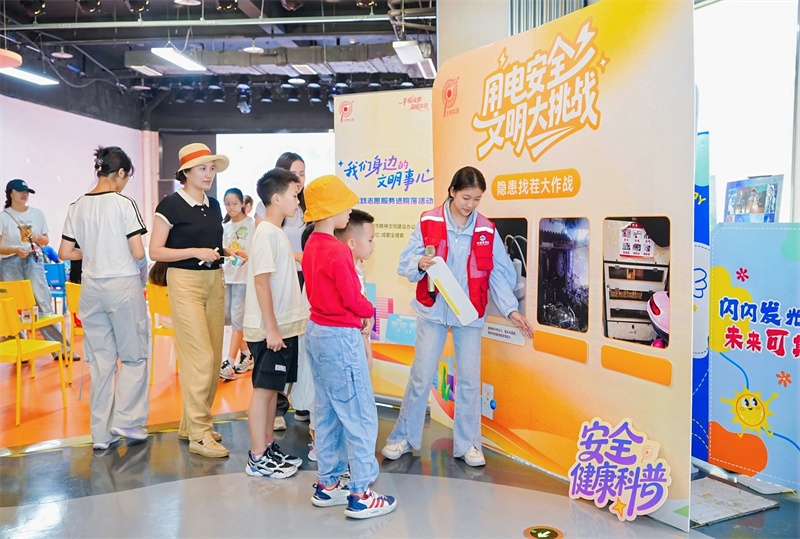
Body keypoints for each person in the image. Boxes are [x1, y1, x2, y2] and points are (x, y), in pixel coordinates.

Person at [381, 166, 534, 467]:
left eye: (477, 199)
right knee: (421, 376)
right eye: (466, 197)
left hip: (469, 313)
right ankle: (403, 438)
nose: (470, 204)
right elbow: (405, 261)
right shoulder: (429, 220)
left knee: (469, 381)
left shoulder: (486, 229)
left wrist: (511, 309)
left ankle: (468, 445)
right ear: (452, 191)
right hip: (433, 310)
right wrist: (420, 262)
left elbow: (497, 273)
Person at [302, 175, 397, 520]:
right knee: (360, 415)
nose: (349, 212)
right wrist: (369, 311)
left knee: (327, 412)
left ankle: (328, 484)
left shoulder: (312, 245)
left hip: (316, 332)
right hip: (340, 337)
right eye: (345, 206)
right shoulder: (338, 249)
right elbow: (352, 297)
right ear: (332, 210)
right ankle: (361, 493)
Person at [149, 143, 247, 459]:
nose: (209, 174)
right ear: (186, 172)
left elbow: (209, 246)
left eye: (212, 168)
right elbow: (155, 251)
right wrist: (194, 252)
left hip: (215, 281)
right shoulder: (170, 205)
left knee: (214, 356)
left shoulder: (214, 205)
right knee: (201, 357)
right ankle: (201, 434)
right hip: (185, 283)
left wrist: (227, 251)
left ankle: (191, 425)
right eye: (202, 168)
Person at [58, 146, 149, 450]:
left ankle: (100, 435)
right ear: (120, 173)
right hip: (122, 285)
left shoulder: (77, 205)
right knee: (134, 356)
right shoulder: (124, 204)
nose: (125, 183)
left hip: (90, 288)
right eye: (127, 177)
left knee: (100, 362)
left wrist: (94, 252)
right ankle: (127, 419)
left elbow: (65, 252)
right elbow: (138, 252)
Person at [243, 168, 307, 478]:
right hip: (271, 330)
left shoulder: (276, 232)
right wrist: (271, 328)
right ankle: (257, 456)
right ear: (277, 198)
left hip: (282, 328)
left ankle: (267, 446)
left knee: (273, 390)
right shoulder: (266, 233)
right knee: (263, 390)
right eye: (294, 195)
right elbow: (261, 282)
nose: (298, 200)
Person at [255, 153, 308, 427]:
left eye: (303, 174)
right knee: (266, 384)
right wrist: (272, 328)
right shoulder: (267, 227)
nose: (300, 182)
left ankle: (300, 404)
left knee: (291, 353)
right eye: (295, 175)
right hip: (277, 288)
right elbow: (262, 280)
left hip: (297, 285)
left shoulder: (301, 208)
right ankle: (268, 430)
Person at [0, 179, 78, 360]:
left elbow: (45, 240)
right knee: (11, 305)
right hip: (9, 262)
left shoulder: (37, 214)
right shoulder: (3, 217)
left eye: (27, 191)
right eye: (21, 191)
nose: (25, 194)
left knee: (43, 303)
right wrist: (14, 250)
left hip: (33, 259)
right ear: (11, 193)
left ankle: (61, 349)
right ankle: (19, 349)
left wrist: (37, 237)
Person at [334, 209, 376, 371]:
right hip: (351, 345)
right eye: (370, 240)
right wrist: (368, 353)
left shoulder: (358, 269)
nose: (373, 245)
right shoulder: (345, 274)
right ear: (351, 243)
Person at [220, 188, 255, 380]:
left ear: (242, 203)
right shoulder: (225, 227)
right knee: (229, 318)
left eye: (234, 203)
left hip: (244, 278)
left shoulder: (252, 224)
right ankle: (248, 354)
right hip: (229, 276)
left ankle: (230, 362)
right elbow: (224, 252)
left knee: (237, 321)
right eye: (227, 204)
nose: (231, 207)